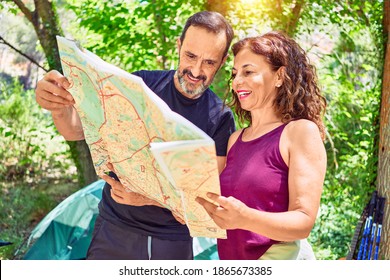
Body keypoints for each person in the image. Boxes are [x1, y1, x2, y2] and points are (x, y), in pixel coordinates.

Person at [35, 11, 236, 260]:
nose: (196, 70)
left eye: (209, 62)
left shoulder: (222, 118)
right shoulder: (139, 85)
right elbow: (74, 130)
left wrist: (146, 198)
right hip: (113, 227)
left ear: (223, 60)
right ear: (179, 45)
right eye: (191, 56)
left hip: (171, 241)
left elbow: (202, 203)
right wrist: (58, 106)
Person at [196, 31, 327, 260]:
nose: (237, 82)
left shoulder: (299, 132)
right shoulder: (235, 140)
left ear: (279, 76)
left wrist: (245, 217)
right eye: (235, 74)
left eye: (248, 72)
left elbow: (303, 221)